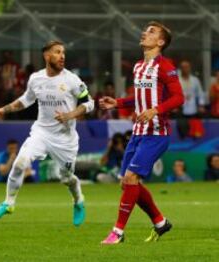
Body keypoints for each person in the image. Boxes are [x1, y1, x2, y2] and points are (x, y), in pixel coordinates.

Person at [0, 40, 94, 226]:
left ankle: (78, 201)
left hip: (65, 139)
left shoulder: (72, 80)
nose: (62, 56)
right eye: (57, 52)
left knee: (66, 178)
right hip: (41, 132)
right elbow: (25, 100)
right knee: (20, 162)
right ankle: (9, 203)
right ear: (47, 56)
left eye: (63, 52)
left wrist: (70, 115)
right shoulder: (36, 78)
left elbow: (89, 103)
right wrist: (4, 110)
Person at [99, 21, 184, 244]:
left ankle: (117, 232)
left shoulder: (166, 66)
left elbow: (178, 97)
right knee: (126, 183)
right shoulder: (138, 66)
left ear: (161, 42)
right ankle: (160, 222)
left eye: (152, 32)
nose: (145, 33)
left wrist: (156, 110)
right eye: (146, 30)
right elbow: (138, 100)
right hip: (137, 132)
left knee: (130, 178)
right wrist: (116, 103)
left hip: (156, 134)